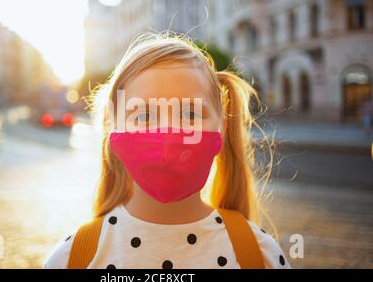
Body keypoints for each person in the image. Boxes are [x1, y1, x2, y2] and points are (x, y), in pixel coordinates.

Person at [44, 33, 291, 269]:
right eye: (144, 115)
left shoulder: (260, 255)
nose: (168, 134)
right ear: (112, 130)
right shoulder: (73, 258)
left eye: (191, 114)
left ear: (221, 128)